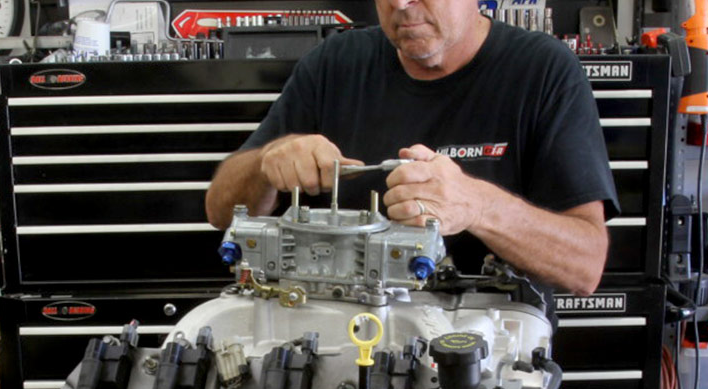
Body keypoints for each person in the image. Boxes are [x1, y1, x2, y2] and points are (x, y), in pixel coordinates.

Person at [204, 0, 619, 295]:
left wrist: (477, 206)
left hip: (483, 364)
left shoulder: (543, 71)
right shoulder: (334, 65)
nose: (401, 4)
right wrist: (266, 163)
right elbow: (220, 211)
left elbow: (584, 266)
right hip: (345, 345)